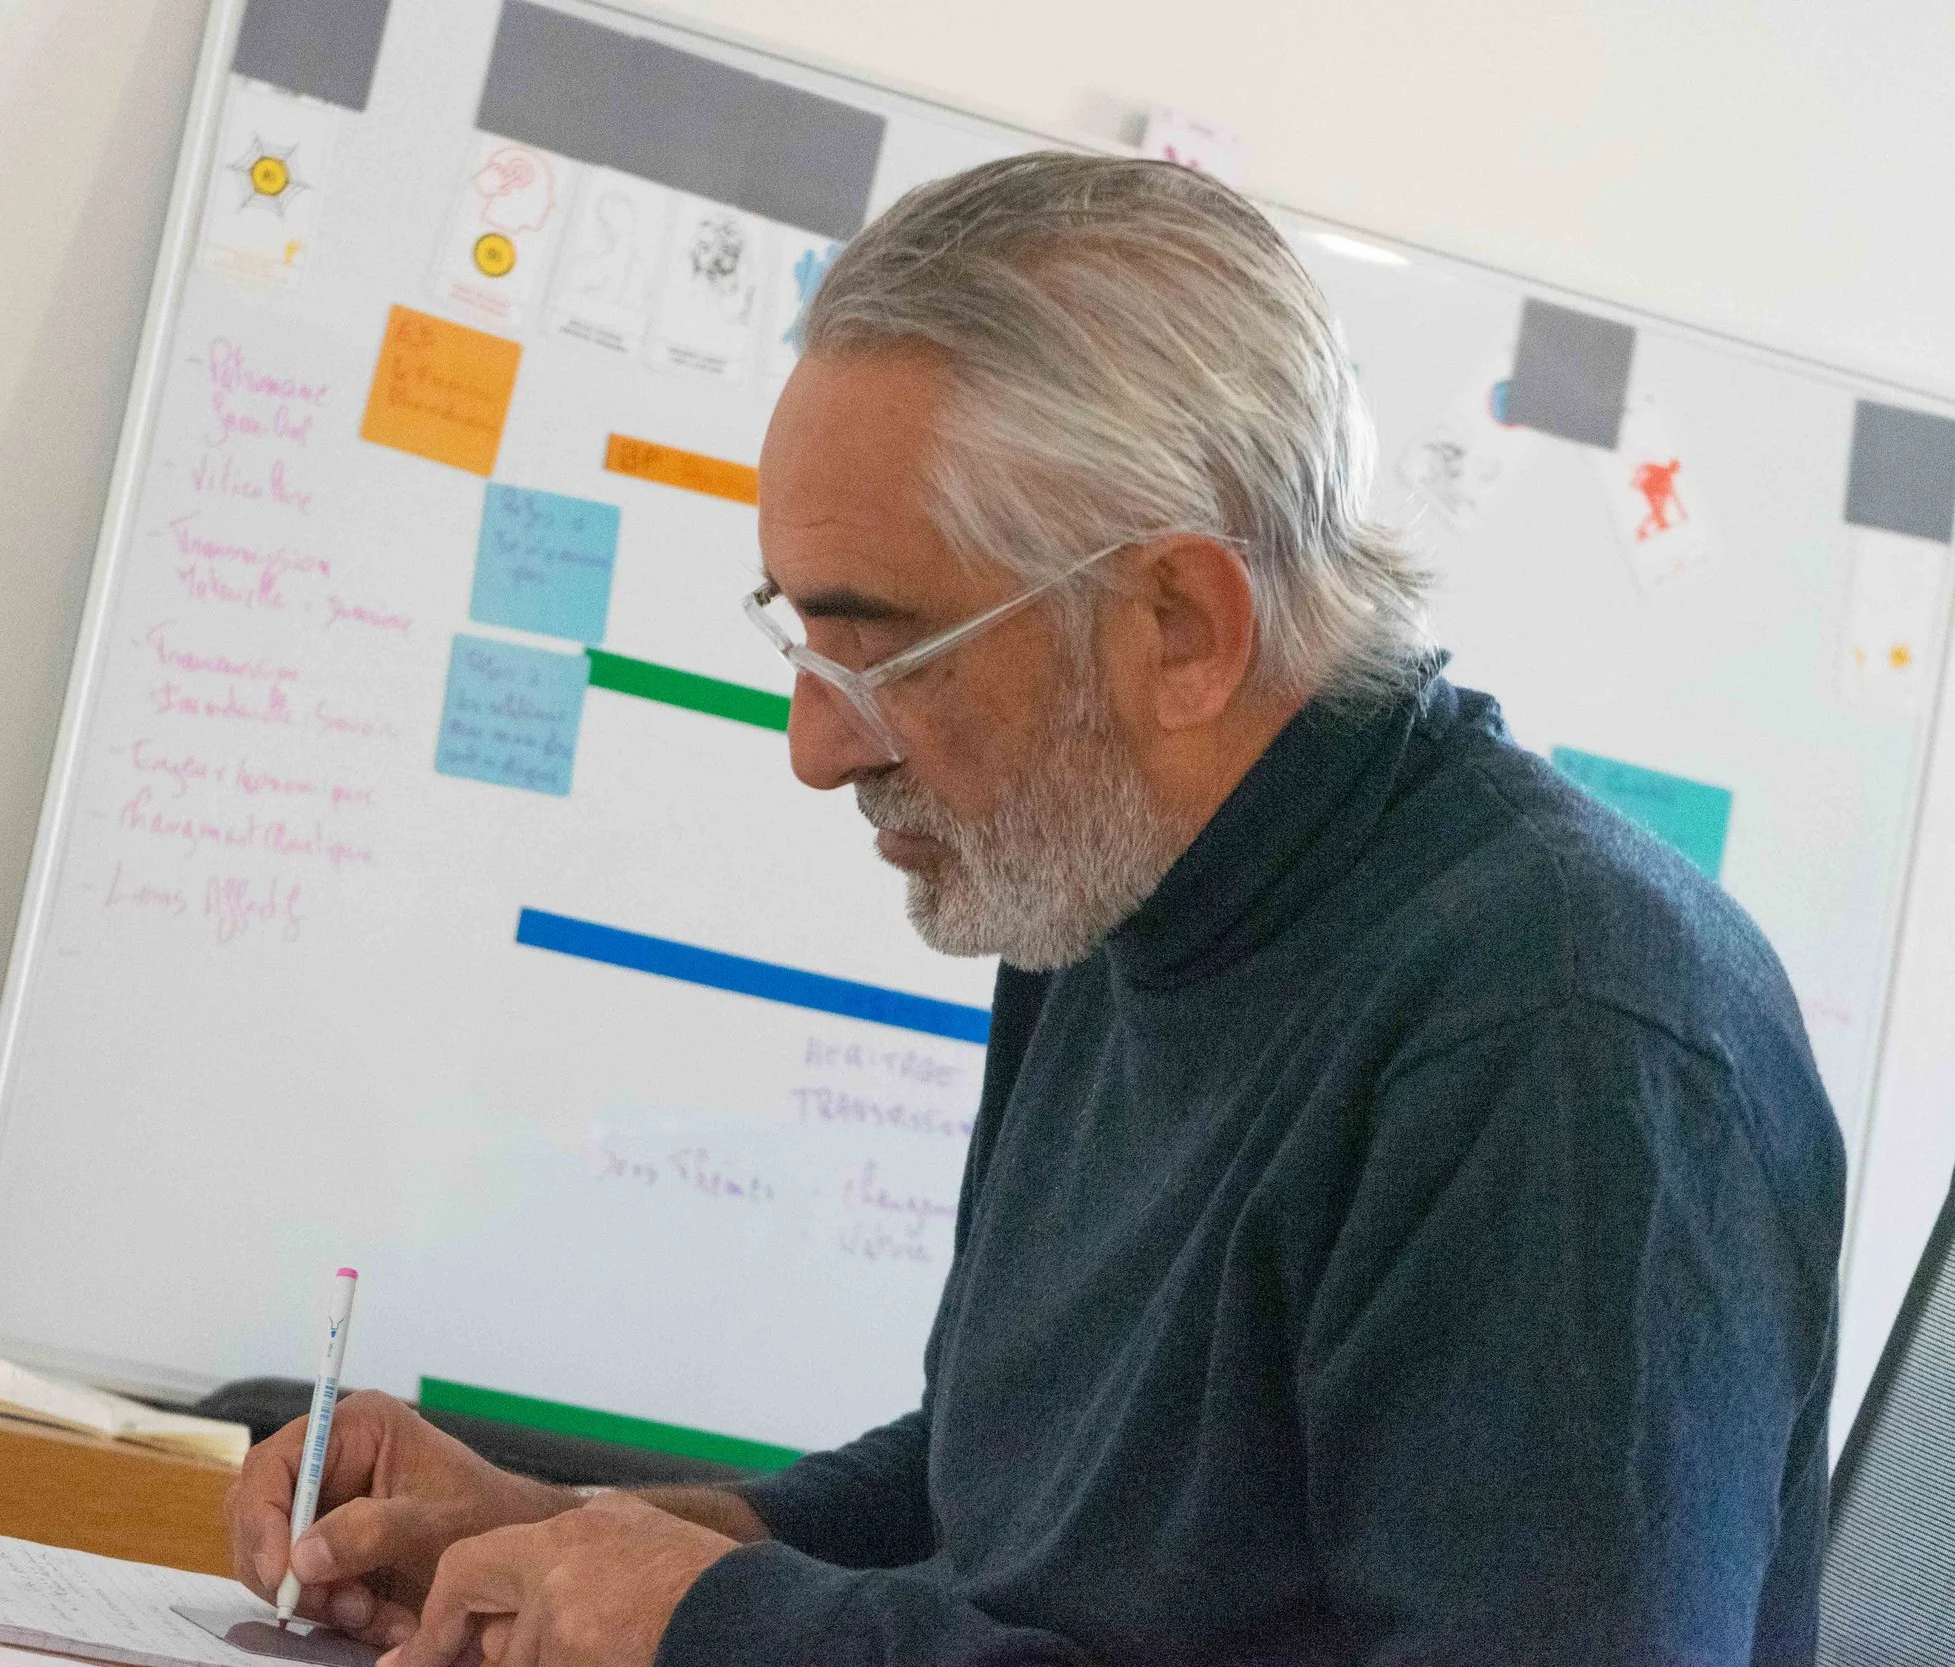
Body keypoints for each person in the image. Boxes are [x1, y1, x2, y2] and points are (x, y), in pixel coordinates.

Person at [226, 154, 1844, 1667]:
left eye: (880, 646)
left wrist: (724, 1632)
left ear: (1179, 622)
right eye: (799, 638)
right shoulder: (1111, 888)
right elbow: (995, 1504)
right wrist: (568, 1538)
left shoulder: (1562, 1039)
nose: (815, 742)